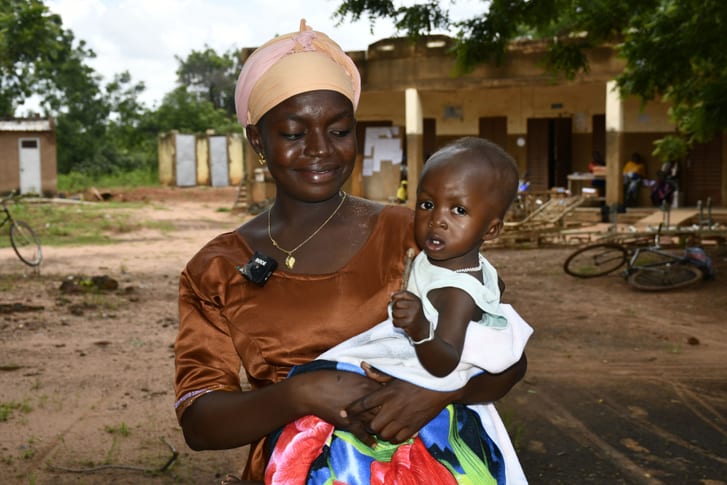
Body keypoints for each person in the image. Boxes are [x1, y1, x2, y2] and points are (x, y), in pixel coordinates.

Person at [174, 20, 527, 483]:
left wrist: (439, 393)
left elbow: (508, 361)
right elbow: (200, 423)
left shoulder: (415, 234)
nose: (320, 151)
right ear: (258, 141)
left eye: (339, 131)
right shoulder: (217, 269)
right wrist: (303, 394)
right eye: (294, 133)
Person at [265, 137, 533, 484]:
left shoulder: (454, 291)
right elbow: (495, 293)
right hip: (424, 361)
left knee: (335, 423)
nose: (437, 220)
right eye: (426, 204)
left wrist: (420, 329)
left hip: (435, 369)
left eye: (459, 210)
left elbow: (445, 362)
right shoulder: (454, 262)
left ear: (491, 229)